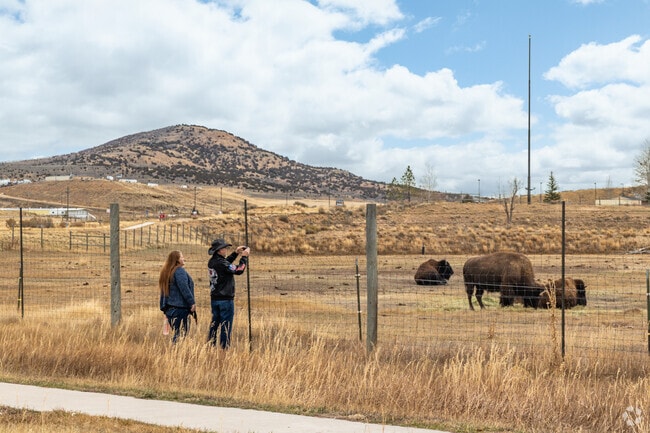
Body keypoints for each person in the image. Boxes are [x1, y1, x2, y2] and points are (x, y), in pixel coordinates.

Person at [207, 238, 249, 349]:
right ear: (219, 250)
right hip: (225, 300)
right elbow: (239, 270)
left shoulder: (213, 261)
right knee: (226, 326)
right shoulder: (221, 263)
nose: (226, 249)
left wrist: (236, 253)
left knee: (214, 324)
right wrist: (244, 257)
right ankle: (224, 349)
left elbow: (226, 264)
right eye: (224, 248)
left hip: (215, 299)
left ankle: (210, 346)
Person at [159, 250, 196, 343]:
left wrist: (164, 308)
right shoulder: (179, 271)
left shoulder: (167, 272)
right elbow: (184, 288)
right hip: (180, 309)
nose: (184, 258)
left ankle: (174, 353)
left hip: (170, 310)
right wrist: (191, 303)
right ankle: (175, 354)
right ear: (177, 260)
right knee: (181, 335)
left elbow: (163, 292)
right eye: (181, 257)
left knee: (178, 333)